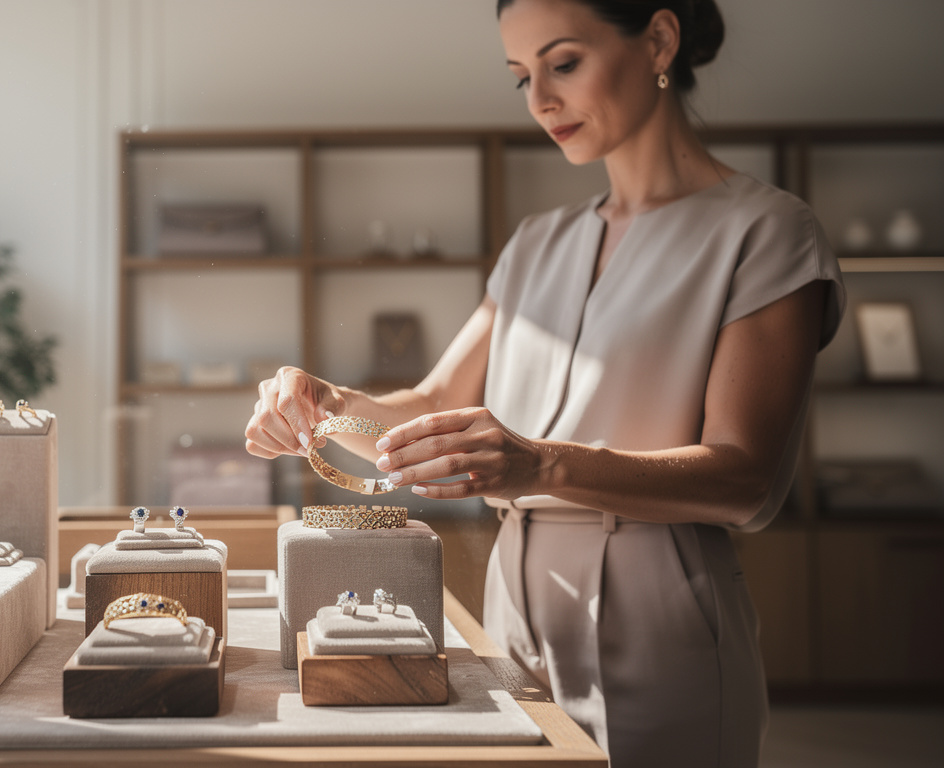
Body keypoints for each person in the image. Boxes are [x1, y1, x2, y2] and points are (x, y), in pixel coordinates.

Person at [243, 0, 845, 765]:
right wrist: (324, 408)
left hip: (662, 623)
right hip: (513, 611)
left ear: (660, 40)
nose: (540, 100)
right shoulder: (537, 243)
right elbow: (431, 408)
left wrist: (542, 464)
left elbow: (747, 480)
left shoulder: (766, 231)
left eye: (563, 63)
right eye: (521, 77)